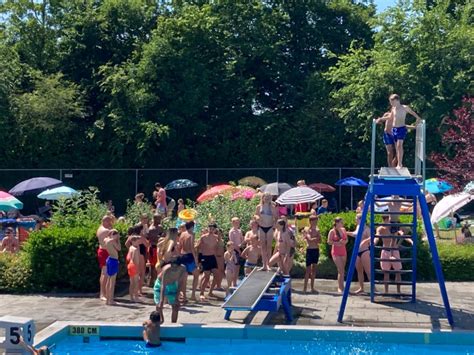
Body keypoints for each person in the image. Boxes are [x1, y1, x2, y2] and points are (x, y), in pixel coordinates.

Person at [388, 94, 422, 169]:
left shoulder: (404, 108)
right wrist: (381, 119)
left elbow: (413, 113)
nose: (391, 104)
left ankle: (400, 164)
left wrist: (418, 119)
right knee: (397, 147)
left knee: (399, 145)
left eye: (392, 102)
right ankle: (398, 163)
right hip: (394, 129)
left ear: (397, 100)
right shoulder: (393, 108)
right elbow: (390, 117)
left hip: (401, 128)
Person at [347, 214, 376, 294]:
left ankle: (374, 288)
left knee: (368, 271)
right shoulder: (358, 227)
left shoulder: (367, 229)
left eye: (356, 219)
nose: (355, 220)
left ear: (361, 219)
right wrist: (346, 232)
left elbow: (372, 237)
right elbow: (354, 234)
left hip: (365, 250)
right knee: (359, 270)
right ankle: (361, 287)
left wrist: (365, 241)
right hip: (357, 251)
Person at [177, 221, 199, 301]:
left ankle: (185, 296)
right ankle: (193, 294)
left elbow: (179, 246)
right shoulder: (192, 234)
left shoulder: (182, 234)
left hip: (182, 255)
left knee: (184, 277)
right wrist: (196, 259)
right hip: (189, 256)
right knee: (196, 274)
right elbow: (192, 248)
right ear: (192, 226)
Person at [255, 193, 278, 270]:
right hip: (261, 227)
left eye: (269, 197)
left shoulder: (272, 207)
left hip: (269, 227)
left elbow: (276, 217)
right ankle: (264, 264)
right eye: (266, 197)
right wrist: (257, 218)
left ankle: (268, 264)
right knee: (262, 247)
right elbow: (255, 215)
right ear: (263, 198)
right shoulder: (259, 207)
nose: (267, 198)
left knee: (268, 246)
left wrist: (275, 224)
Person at [197, 223, 219, 301]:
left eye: (212, 228)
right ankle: (201, 293)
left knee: (217, 276)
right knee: (207, 277)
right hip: (205, 257)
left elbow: (219, 247)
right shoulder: (203, 237)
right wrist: (199, 260)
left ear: (215, 229)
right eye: (210, 228)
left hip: (212, 257)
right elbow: (198, 247)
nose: (211, 229)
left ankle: (210, 291)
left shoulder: (216, 237)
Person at [327, 217, 348, 293]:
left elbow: (347, 240)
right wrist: (336, 243)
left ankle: (342, 286)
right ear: (337, 223)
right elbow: (329, 241)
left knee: (342, 270)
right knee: (340, 269)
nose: (342, 224)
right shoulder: (332, 231)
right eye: (341, 222)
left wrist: (344, 242)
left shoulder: (343, 230)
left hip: (343, 251)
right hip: (336, 252)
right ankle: (340, 287)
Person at [303, 216, 321, 293]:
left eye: (316, 221)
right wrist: (315, 238)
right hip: (309, 250)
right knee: (308, 270)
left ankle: (312, 287)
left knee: (314, 270)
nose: (315, 223)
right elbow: (309, 240)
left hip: (316, 250)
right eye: (314, 221)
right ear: (310, 221)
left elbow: (320, 240)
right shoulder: (307, 229)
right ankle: (304, 288)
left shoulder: (317, 230)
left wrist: (315, 238)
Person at [96, 215, 113, 301]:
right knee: (105, 273)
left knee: (104, 273)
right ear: (105, 221)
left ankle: (104, 292)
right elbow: (114, 237)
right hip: (104, 251)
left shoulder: (100, 228)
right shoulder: (105, 230)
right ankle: (103, 293)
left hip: (103, 250)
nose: (110, 223)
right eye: (109, 221)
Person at [104, 229, 121, 305]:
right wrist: (118, 240)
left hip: (109, 259)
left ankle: (108, 299)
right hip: (113, 260)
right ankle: (111, 300)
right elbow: (119, 248)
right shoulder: (112, 241)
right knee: (112, 281)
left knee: (108, 280)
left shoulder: (106, 240)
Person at [148, 214, 165, 287]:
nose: (160, 220)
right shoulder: (151, 229)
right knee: (153, 265)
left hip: (159, 247)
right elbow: (151, 239)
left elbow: (163, 235)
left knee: (159, 264)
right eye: (159, 219)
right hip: (153, 248)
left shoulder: (160, 227)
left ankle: (156, 280)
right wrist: (158, 238)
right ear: (155, 219)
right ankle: (152, 280)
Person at [127, 235, 140, 301]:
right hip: (134, 265)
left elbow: (128, 258)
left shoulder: (130, 248)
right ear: (133, 241)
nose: (138, 243)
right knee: (136, 282)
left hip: (130, 265)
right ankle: (136, 297)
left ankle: (131, 297)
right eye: (137, 241)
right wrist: (138, 268)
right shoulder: (135, 249)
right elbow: (136, 260)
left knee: (132, 282)